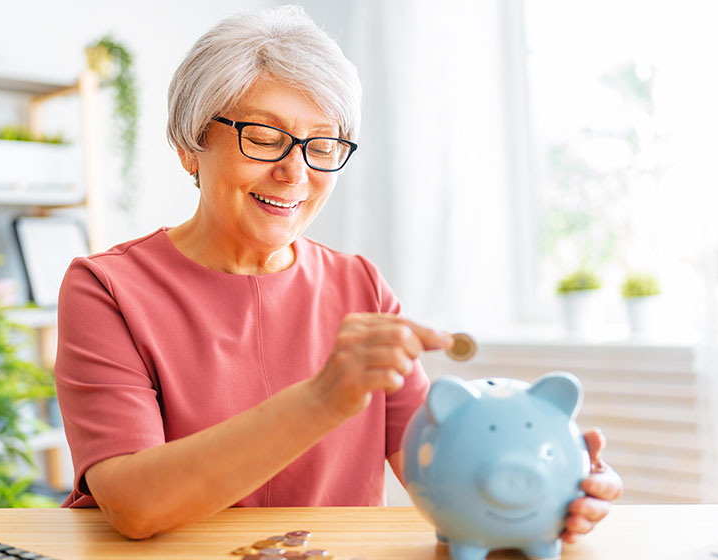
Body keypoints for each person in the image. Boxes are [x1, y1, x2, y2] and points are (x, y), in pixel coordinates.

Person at [54, 4, 622, 542]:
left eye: (322, 144)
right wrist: (323, 399)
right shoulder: (107, 288)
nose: (294, 171)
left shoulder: (361, 286)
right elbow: (133, 504)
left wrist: (554, 487)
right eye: (265, 137)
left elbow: (437, 469)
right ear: (189, 145)